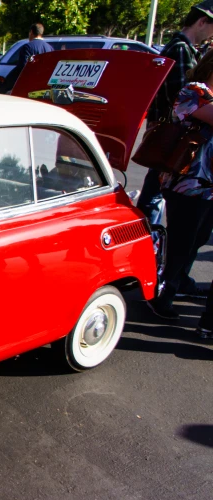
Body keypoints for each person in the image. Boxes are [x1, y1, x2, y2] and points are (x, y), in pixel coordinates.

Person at [138, 1, 213, 297]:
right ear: (203, 22)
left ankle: (172, 278)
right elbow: (182, 101)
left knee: (190, 233)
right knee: (158, 212)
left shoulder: (179, 48)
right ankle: (159, 279)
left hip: (187, 165)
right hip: (182, 163)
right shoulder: (182, 54)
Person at [147, 51, 213, 322]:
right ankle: (162, 294)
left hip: (208, 186)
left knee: (196, 240)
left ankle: (176, 283)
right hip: (188, 182)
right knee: (182, 241)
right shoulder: (194, 91)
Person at [3, 22, 54, 94]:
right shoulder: (50, 48)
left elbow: (23, 67)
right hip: (44, 84)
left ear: (31, 32)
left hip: (29, 84)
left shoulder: (27, 47)